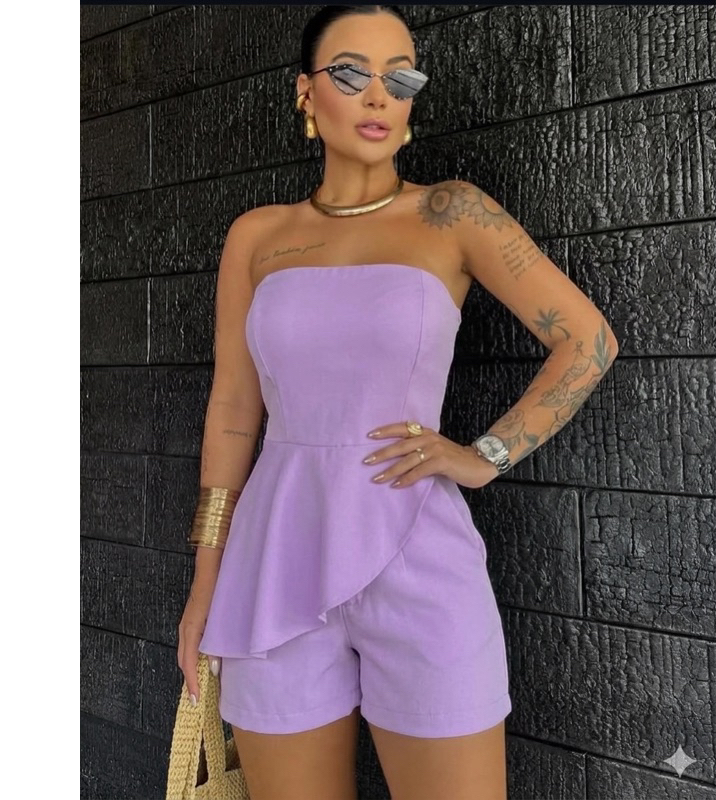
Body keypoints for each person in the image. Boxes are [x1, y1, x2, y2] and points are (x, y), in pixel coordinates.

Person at [177, 6, 619, 800]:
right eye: (352, 73)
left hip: (419, 551)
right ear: (306, 92)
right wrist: (207, 579)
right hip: (274, 557)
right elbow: (235, 410)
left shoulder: (452, 212)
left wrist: (484, 456)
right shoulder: (257, 236)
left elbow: (587, 341)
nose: (379, 95)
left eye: (400, 76)